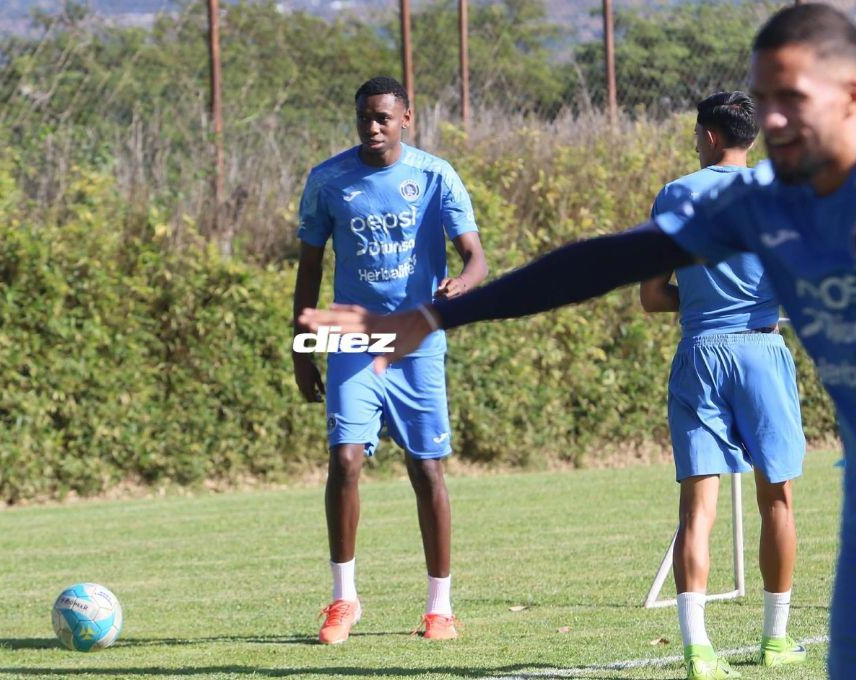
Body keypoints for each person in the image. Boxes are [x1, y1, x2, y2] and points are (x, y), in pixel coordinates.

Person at [298, 5, 856, 676]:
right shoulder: (752, 202)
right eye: (762, 100)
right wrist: (440, 317)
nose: (771, 121)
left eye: (789, 98)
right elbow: (594, 266)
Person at [292, 76, 488, 644]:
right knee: (345, 460)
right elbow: (308, 270)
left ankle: (439, 607)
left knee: (426, 469)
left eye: (382, 117)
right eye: (363, 118)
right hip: (352, 339)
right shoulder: (328, 180)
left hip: (417, 343)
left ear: (407, 118)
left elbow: (473, 254)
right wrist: (301, 349)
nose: (372, 128)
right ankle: (343, 600)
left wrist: (465, 283)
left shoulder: (434, 176)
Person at [640, 91, 806, 678]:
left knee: (697, 509)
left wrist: (704, 301)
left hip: (700, 353)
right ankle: (775, 639)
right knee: (777, 499)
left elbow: (652, 295)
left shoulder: (676, 194)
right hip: (761, 350)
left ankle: (697, 649)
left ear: (710, 136)